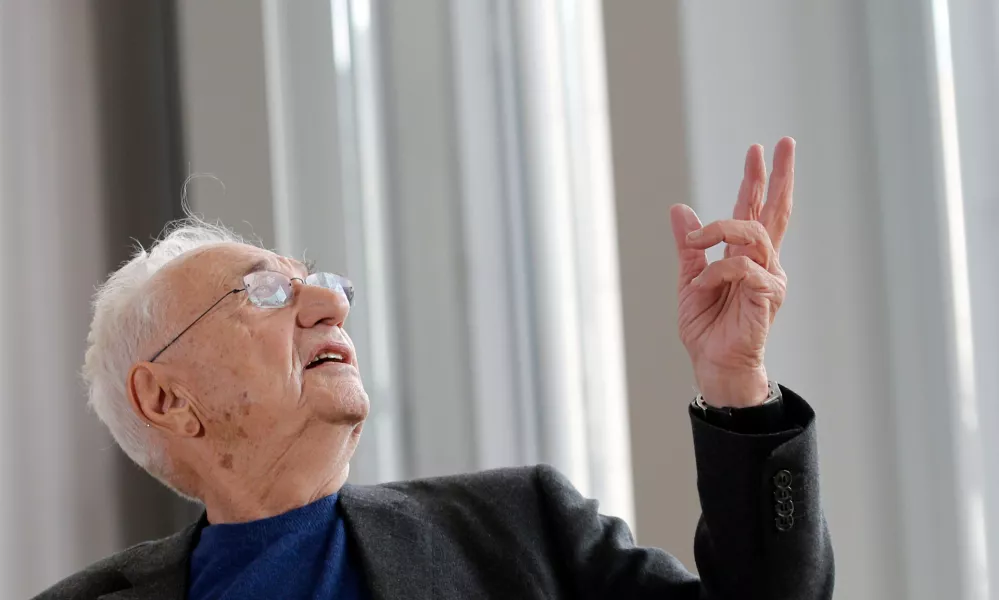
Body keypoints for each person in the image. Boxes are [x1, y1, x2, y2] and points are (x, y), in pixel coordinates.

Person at [34, 137, 833, 600]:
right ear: (168, 399)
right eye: (266, 292)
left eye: (323, 283)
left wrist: (736, 387)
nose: (328, 303)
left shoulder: (524, 529)